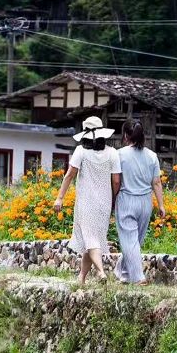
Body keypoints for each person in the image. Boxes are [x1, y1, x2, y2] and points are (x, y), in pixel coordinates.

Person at [53, 116, 121, 286]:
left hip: (85, 202)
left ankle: (100, 271)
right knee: (92, 240)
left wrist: (60, 197)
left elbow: (69, 175)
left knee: (91, 240)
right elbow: (116, 181)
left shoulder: (80, 152)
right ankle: (81, 278)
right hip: (104, 203)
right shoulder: (113, 153)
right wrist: (113, 200)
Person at [115, 119, 166, 285]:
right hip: (145, 202)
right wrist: (161, 205)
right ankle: (124, 273)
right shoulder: (152, 156)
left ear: (126, 135)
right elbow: (156, 182)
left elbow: (116, 181)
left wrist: (112, 199)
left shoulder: (120, 154)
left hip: (126, 199)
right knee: (134, 241)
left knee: (130, 240)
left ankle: (138, 277)